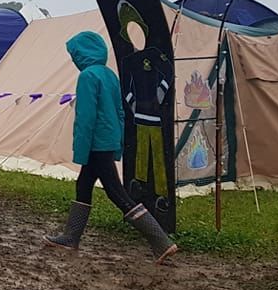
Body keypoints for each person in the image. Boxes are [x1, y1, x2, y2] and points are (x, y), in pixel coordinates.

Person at [44, 31, 178, 262]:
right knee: (83, 184)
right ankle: (71, 237)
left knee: (118, 194)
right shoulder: (109, 75)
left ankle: (160, 241)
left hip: (96, 143)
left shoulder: (87, 76)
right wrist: (116, 142)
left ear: (81, 54)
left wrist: (82, 150)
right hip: (107, 140)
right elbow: (120, 112)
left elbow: (86, 117)